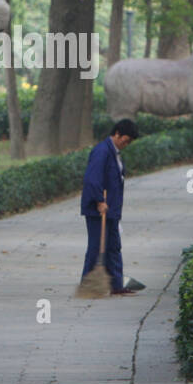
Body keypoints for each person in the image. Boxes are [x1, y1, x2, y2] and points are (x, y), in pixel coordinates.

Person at [80, 118, 139, 295]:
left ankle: (116, 284)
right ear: (117, 134)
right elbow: (92, 179)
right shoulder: (102, 152)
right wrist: (99, 200)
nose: (125, 144)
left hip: (111, 210)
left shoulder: (114, 153)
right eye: (125, 140)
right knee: (97, 247)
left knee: (114, 246)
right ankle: (88, 284)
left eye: (129, 142)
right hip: (98, 210)